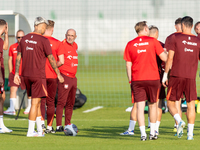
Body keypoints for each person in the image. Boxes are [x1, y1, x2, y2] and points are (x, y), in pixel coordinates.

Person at [14, 16, 64, 137]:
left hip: (26, 75)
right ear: (38, 25)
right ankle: (31, 131)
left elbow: (19, 56)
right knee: (35, 103)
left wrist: (16, 73)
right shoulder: (43, 40)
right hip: (38, 76)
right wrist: (58, 73)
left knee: (36, 102)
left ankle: (39, 130)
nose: (44, 28)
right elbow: (51, 58)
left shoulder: (24, 39)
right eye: (43, 26)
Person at [123, 21, 167, 141]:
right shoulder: (153, 42)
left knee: (140, 107)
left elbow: (128, 65)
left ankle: (143, 134)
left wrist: (130, 80)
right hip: (153, 78)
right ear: (146, 29)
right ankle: (153, 132)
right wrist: (170, 55)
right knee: (153, 105)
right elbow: (164, 58)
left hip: (137, 79)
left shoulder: (130, 44)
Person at [162, 16, 200, 140]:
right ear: (191, 25)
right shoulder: (198, 41)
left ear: (183, 25)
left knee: (170, 102)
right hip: (191, 77)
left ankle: (179, 121)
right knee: (190, 105)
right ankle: (190, 134)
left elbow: (170, 58)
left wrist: (165, 74)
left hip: (176, 75)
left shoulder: (175, 38)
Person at [40, 20, 64, 133]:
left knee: (41, 101)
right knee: (50, 102)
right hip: (53, 76)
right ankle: (49, 127)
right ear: (53, 29)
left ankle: (41, 125)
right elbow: (62, 61)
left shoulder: (39, 41)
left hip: (40, 75)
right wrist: (53, 66)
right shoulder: (58, 43)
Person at [4, 30, 31, 115]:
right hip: (14, 73)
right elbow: (10, 59)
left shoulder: (29, 47)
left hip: (25, 73)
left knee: (29, 91)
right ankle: (12, 109)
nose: (20, 39)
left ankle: (29, 107)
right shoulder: (12, 47)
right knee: (13, 89)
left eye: (22, 37)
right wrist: (11, 72)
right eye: (19, 37)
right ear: (16, 38)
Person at [56, 29, 78, 132]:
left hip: (73, 78)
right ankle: (59, 125)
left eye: (72, 36)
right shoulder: (61, 45)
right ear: (65, 35)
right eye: (68, 35)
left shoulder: (75, 46)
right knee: (61, 102)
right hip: (64, 76)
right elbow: (58, 60)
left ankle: (67, 124)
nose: (70, 37)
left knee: (71, 103)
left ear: (75, 37)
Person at [164, 18, 183, 133]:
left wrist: (166, 74)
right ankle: (180, 126)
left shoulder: (171, 37)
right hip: (188, 73)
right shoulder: (191, 38)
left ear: (175, 26)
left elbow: (167, 56)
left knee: (172, 101)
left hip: (174, 72)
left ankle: (178, 124)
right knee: (179, 101)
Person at [148, 25, 166, 135]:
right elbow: (165, 61)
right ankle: (155, 129)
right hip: (158, 77)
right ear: (157, 34)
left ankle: (150, 126)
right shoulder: (161, 45)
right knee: (158, 103)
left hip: (143, 77)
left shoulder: (143, 45)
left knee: (146, 103)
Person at [0, 19, 11, 133]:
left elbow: (5, 47)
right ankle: (1, 126)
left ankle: (1, 125)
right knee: (1, 98)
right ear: (4, 27)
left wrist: (6, 35)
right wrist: (0, 77)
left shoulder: (0, 40)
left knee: (2, 98)